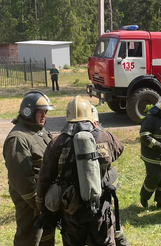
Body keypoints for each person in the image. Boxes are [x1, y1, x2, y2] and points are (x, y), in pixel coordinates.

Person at [36, 96, 123, 246]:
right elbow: (119, 149)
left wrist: (43, 208)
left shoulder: (57, 143)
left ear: (68, 116)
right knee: (105, 242)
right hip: (100, 206)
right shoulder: (104, 137)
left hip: (71, 209)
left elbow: (44, 178)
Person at [3, 91, 55, 246]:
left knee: (46, 238)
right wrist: (37, 205)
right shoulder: (18, 139)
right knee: (29, 239)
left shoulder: (39, 131)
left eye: (45, 112)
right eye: (40, 112)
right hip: (30, 205)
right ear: (28, 112)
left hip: (46, 202)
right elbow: (21, 179)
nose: (44, 116)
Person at [91, 105, 129, 246]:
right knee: (110, 224)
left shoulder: (63, 139)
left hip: (74, 202)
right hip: (103, 195)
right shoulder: (104, 136)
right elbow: (119, 149)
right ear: (95, 122)